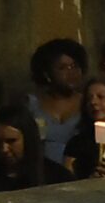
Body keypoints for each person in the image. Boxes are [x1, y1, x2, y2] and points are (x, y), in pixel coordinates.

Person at [27, 36, 91, 167]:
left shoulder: (90, 102)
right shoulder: (32, 105)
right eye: (63, 68)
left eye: (74, 66)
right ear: (47, 74)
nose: (71, 72)